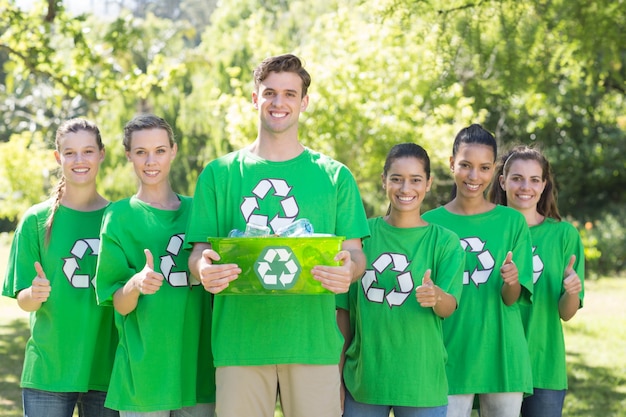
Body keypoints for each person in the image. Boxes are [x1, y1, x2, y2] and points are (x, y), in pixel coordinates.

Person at [185, 54, 370, 417]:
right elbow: (198, 253)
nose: (278, 103)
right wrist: (202, 269)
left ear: (304, 102)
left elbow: (356, 255)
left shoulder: (335, 177)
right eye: (269, 93)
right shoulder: (219, 175)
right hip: (240, 343)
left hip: (312, 343)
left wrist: (349, 270)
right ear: (255, 98)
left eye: (289, 94)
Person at [94, 114, 215, 417]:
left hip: (196, 370)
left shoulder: (199, 209)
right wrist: (135, 284)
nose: (151, 161)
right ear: (128, 156)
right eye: (141, 152)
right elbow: (119, 304)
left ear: (173, 151)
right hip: (144, 374)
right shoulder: (118, 217)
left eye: (160, 150)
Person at [337, 143, 465, 417]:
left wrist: (436, 296)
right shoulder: (359, 236)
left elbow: (449, 306)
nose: (406, 188)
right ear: (384, 181)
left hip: (421, 384)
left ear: (429, 183)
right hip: (364, 382)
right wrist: (336, 377)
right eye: (396, 179)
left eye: (415, 180)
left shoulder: (445, 242)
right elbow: (344, 314)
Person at [2, 119, 118, 417]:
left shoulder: (118, 217)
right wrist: (34, 293)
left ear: (101, 154)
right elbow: (23, 299)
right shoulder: (35, 220)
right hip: (49, 370)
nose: (79, 160)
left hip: (105, 368)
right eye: (70, 153)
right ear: (58, 157)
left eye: (88, 151)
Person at [421, 124, 534, 417]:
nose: (474, 176)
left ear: (494, 170)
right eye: (466, 166)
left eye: (484, 168)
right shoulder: (428, 223)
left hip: (501, 355)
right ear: (451, 164)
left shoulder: (512, 222)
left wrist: (511, 280)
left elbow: (512, 298)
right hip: (448, 352)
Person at [489, 145, 584, 417]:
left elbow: (566, 314)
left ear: (544, 186)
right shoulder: (488, 233)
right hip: (498, 361)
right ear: (502, 181)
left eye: (534, 180)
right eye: (517, 178)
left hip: (544, 364)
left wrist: (572, 292)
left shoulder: (564, 235)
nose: (524, 187)